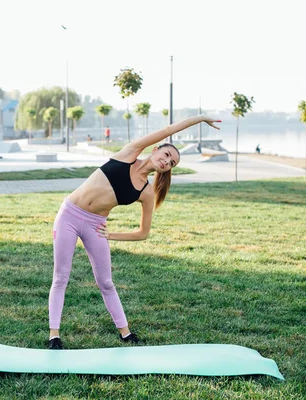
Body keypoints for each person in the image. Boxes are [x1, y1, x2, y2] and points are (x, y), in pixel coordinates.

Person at [47, 115, 221, 350]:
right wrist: (200, 119)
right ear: (156, 149)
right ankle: (54, 335)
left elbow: (143, 233)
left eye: (172, 163)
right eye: (167, 155)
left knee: (106, 282)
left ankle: (126, 333)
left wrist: (111, 235)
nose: (166, 162)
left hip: (95, 225)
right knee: (61, 277)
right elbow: (171, 128)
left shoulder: (146, 192)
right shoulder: (129, 153)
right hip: (69, 214)